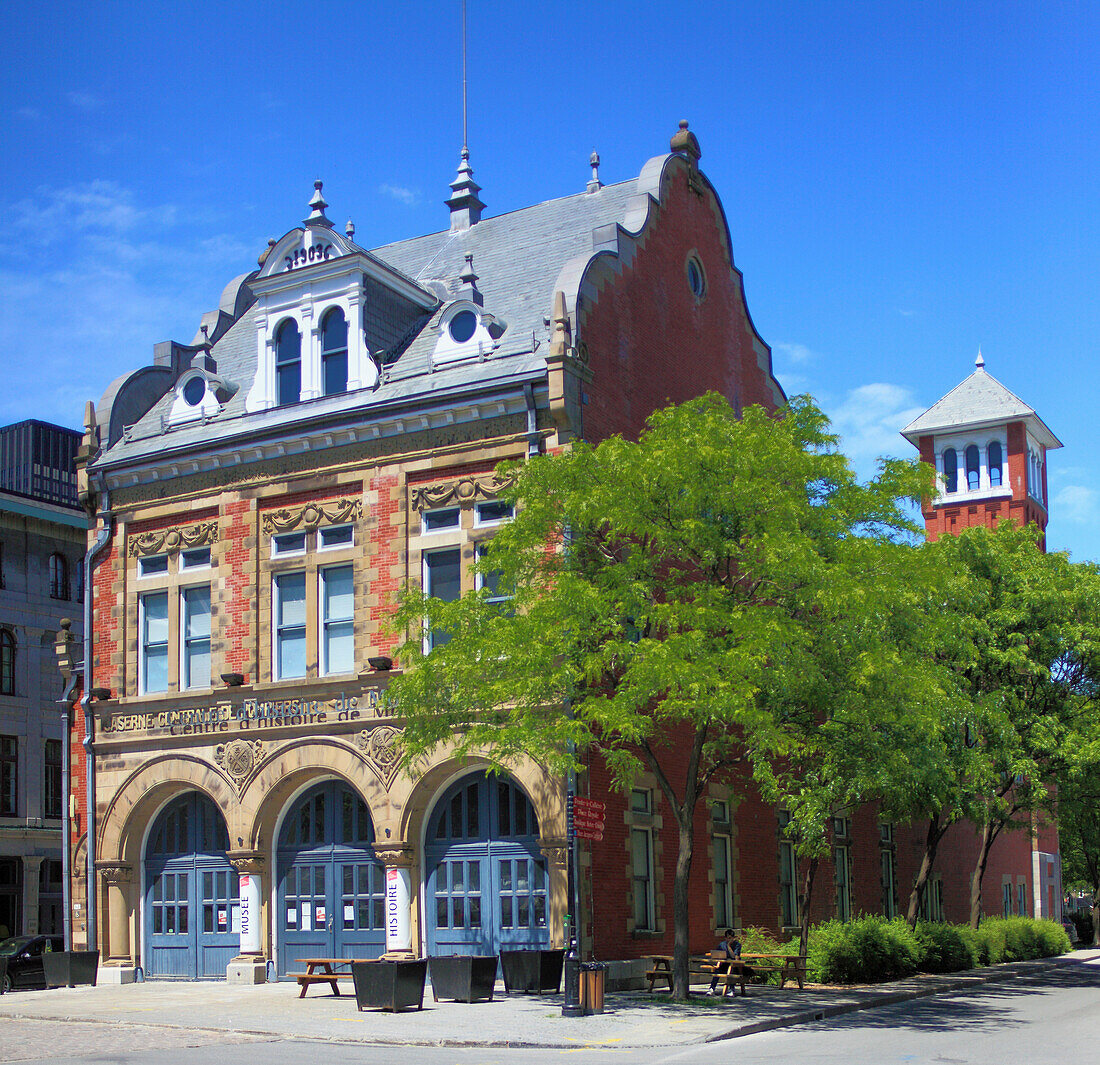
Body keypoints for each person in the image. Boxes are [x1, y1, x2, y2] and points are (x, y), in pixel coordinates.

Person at [707, 928, 742, 995]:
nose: (728, 940)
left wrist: (729, 947)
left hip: (735, 966)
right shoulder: (722, 944)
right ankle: (712, 989)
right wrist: (717, 963)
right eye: (727, 938)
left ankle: (731, 990)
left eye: (730, 938)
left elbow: (735, 957)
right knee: (717, 971)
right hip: (724, 964)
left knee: (732, 971)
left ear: (733, 938)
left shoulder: (737, 945)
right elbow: (718, 955)